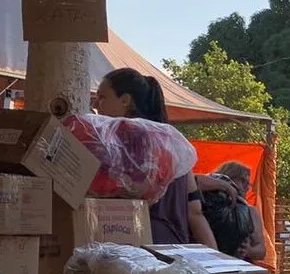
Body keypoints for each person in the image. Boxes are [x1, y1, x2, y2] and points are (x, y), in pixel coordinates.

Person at [92, 67, 234, 249]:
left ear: (125, 101)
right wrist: (216, 262)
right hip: (176, 252)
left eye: (102, 97)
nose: (95, 104)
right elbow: (195, 211)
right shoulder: (174, 143)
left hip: (133, 253)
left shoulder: (117, 143)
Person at [204, 160, 267, 262]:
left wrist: (248, 251)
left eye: (248, 183)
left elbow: (262, 251)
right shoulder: (204, 203)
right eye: (242, 181)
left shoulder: (251, 211)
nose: (247, 187)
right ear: (227, 177)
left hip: (239, 269)